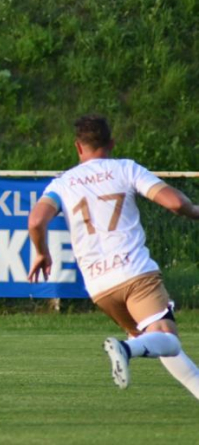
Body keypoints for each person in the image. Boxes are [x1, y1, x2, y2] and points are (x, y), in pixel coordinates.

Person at [28, 114, 199, 397]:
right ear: (112, 143)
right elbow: (175, 202)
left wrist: (42, 252)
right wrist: (194, 211)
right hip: (135, 273)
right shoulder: (125, 169)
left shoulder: (63, 183)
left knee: (153, 339)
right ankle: (125, 348)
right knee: (168, 341)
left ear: (78, 147)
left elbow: (36, 221)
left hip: (99, 287)